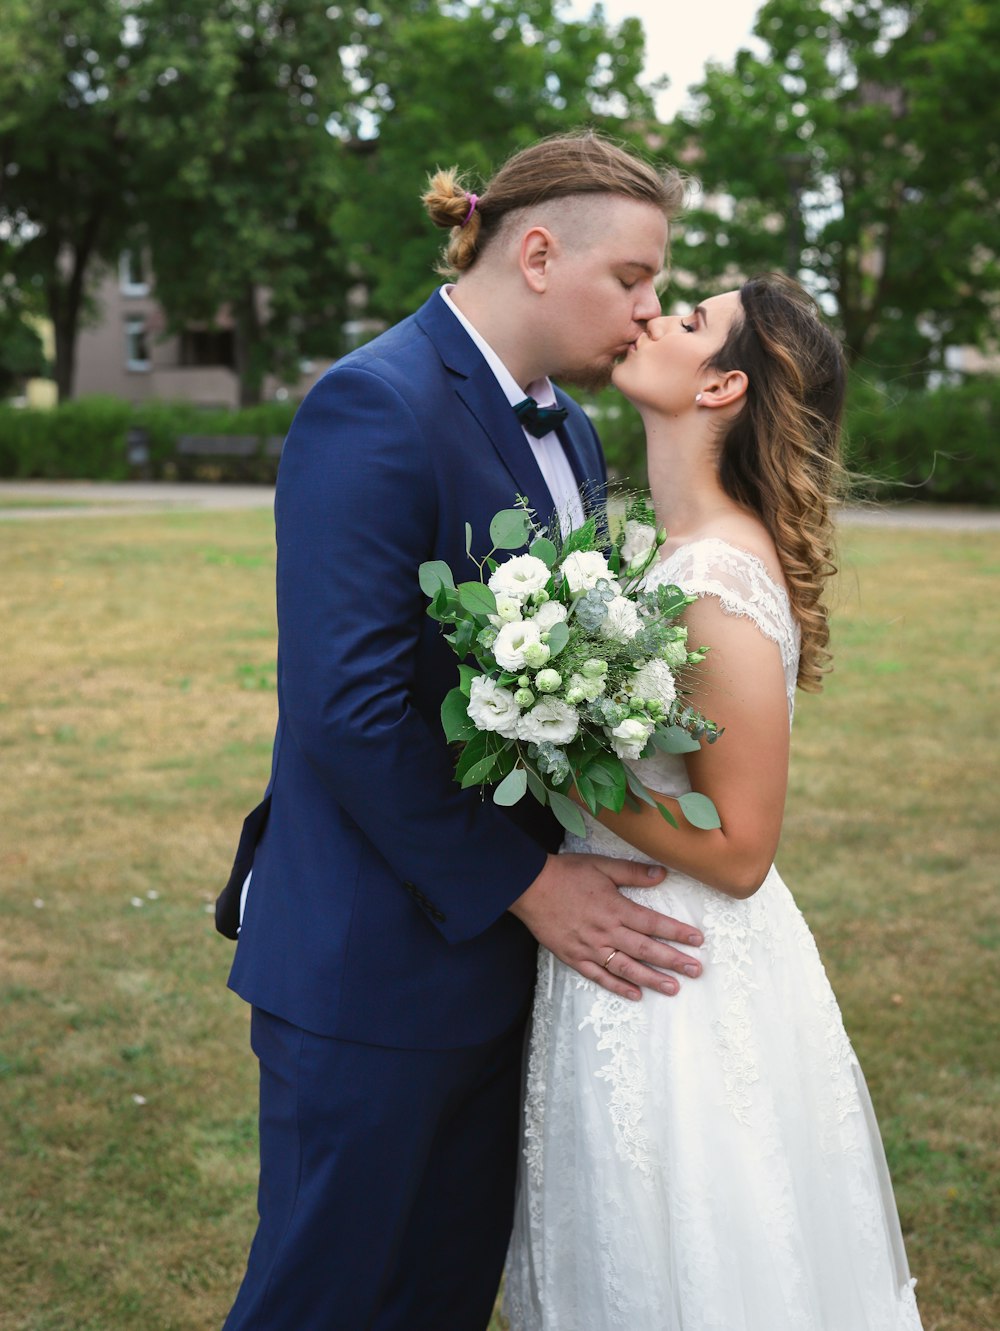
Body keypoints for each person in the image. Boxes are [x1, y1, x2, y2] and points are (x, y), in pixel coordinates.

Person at [217, 133, 712, 1331]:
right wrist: (533, 884)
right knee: (326, 1296)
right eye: (633, 278)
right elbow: (351, 710)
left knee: (439, 1295)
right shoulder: (370, 403)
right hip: (368, 961)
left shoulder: (574, 432)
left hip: (501, 972)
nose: (648, 311)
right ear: (538, 252)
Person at [503, 274, 925, 1330]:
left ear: (722, 384)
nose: (650, 315)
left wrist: (553, 761)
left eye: (687, 320)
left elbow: (740, 846)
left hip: (677, 966)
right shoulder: (646, 544)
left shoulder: (721, 577)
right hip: (614, 944)